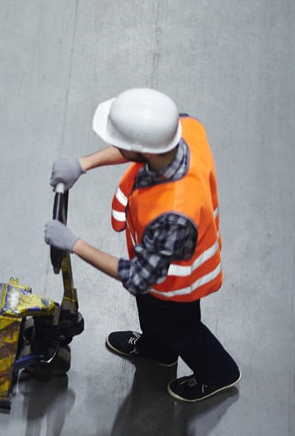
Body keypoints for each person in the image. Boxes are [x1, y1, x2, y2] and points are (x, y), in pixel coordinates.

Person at [44, 87, 240, 403]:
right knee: (150, 312)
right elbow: (137, 147)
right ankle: (158, 350)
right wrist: (83, 164)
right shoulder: (185, 126)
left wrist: (74, 243)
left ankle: (218, 372)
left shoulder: (176, 211)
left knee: (181, 330)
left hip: (176, 285)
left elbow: (138, 277)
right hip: (155, 264)